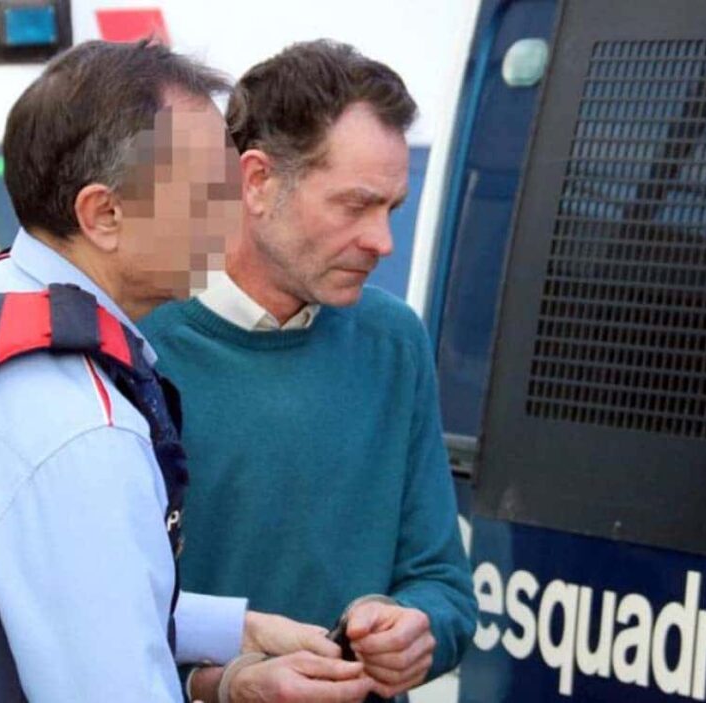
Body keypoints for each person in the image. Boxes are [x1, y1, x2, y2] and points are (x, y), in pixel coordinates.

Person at [0, 40, 372, 703]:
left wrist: (241, 629)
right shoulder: (79, 425)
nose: (235, 213)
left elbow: (63, 592)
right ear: (104, 215)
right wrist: (227, 688)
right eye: (208, 192)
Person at [139, 40, 476, 701]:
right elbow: (88, 621)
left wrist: (414, 628)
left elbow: (445, 587)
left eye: (391, 208)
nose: (383, 241)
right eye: (355, 205)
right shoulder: (137, 347)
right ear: (257, 182)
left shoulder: (394, 342)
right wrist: (220, 686)